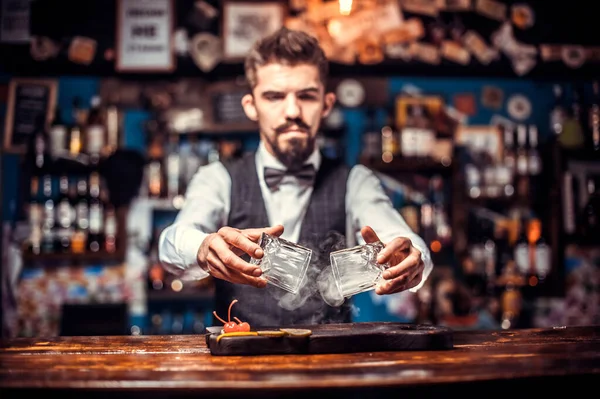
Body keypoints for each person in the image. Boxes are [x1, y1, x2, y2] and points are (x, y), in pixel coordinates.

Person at [158, 27, 433, 327]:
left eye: (306, 96)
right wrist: (202, 248)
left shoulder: (356, 182)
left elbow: (402, 240)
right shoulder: (218, 178)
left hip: (331, 366)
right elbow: (171, 243)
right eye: (274, 96)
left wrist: (410, 258)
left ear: (326, 104)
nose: (292, 111)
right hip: (238, 365)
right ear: (251, 106)